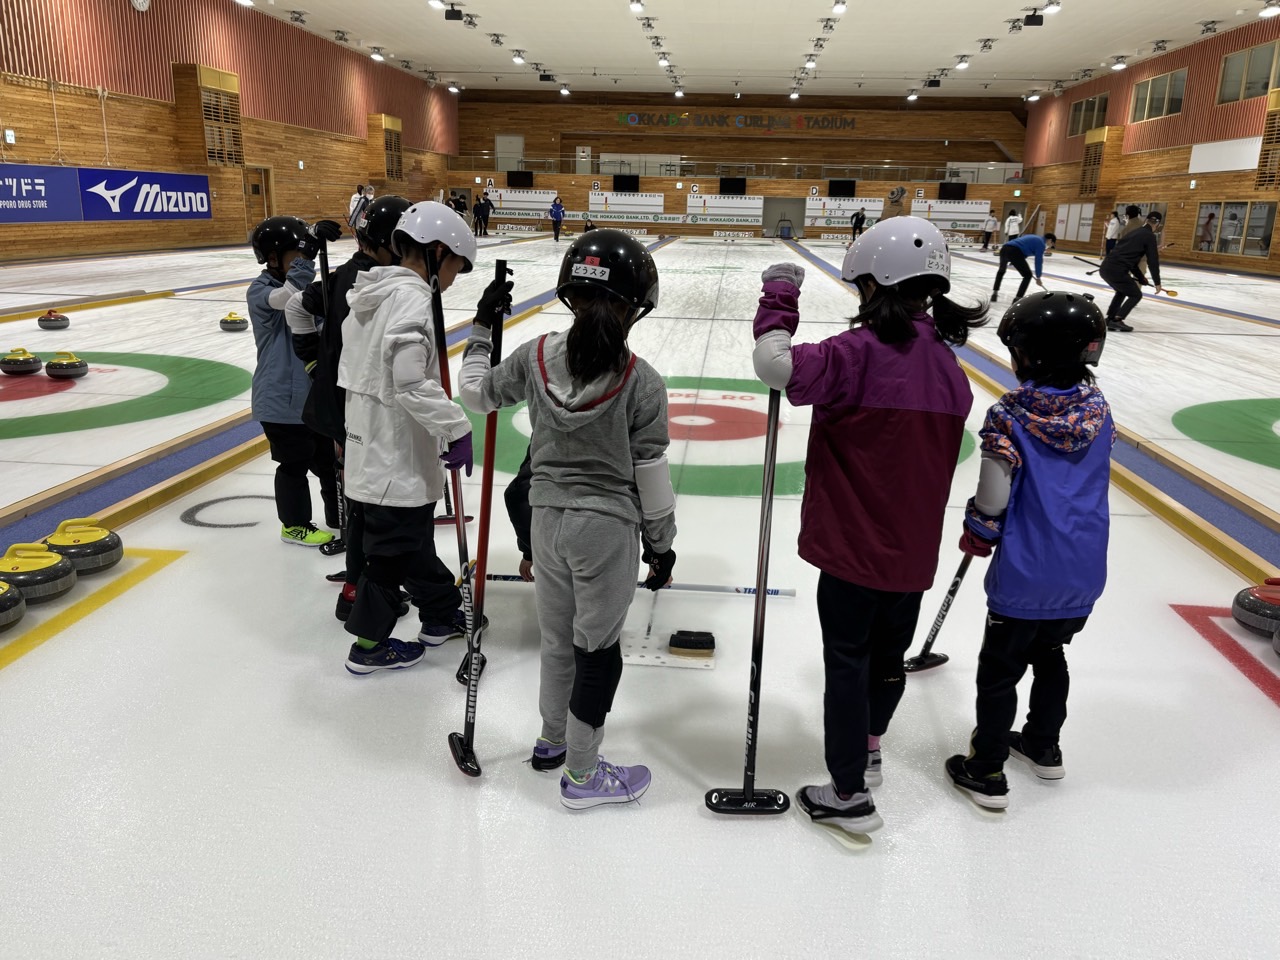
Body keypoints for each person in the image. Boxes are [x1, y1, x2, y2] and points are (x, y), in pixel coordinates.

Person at [750, 217, 985, 835]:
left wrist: (780, 295)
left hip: (853, 551)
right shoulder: (951, 371)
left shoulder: (853, 355)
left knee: (848, 665)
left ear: (875, 284)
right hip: (911, 555)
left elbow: (774, 365)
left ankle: (848, 792)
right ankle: (871, 745)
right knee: (888, 659)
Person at [459, 229, 674, 810]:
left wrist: (481, 330)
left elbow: (475, 394)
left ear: (570, 294)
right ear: (635, 306)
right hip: (605, 529)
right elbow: (651, 476)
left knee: (557, 642)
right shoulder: (642, 381)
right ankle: (581, 775)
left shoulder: (533, 357)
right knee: (597, 651)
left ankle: (552, 739)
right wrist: (661, 545)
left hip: (545, 519)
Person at [946, 291, 1113, 809]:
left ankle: (987, 766)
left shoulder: (1010, 415)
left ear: (1029, 354)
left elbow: (993, 497)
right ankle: (1043, 744)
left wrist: (979, 529)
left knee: (1000, 669)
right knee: (1051, 654)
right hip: (1082, 568)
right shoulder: (1099, 411)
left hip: (1026, 570)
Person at [337, 201, 479, 674]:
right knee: (390, 556)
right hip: (393, 457)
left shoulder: (373, 294)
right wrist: (455, 426)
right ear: (438, 252)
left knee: (412, 543)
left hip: (370, 445)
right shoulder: (413, 299)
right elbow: (409, 380)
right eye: (457, 265)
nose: (455, 277)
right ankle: (368, 646)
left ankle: (439, 615)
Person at [284, 195, 413, 621]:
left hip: (354, 402)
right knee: (367, 500)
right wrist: (312, 360)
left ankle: (367, 584)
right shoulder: (359, 279)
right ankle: (361, 588)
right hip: (352, 406)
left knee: (365, 496)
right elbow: (293, 306)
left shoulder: (361, 275)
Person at [247, 215, 343, 547]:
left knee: (329, 462)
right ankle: (295, 525)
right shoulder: (261, 291)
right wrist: (308, 257)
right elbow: (288, 298)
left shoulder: (305, 287)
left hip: (310, 396)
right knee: (294, 463)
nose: (302, 259)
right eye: (296, 253)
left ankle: (340, 515)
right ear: (273, 257)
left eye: (303, 253)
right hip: (279, 401)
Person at [1099, 211, 1163, 332]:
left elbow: (1132, 262)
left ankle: (1110, 318)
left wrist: (1141, 278)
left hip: (1106, 267)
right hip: (1117, 270)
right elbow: (1153, 261)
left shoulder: (1135, 232)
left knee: (1122, 291)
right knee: (1136, 295)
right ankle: (1117, 320)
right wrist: (1157, 283)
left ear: (1146, 220)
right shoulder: (1149, 236)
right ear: (1158, 224)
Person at [991, 232, 1056, 303]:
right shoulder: (1041, 244)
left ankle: (994, 294)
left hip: (1004, 249)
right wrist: (1038, 277)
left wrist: (1014, 261)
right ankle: (1017, 299)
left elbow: (1024, 250)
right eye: (1051, 244)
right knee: (1028, 275)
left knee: (1001, 271)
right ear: (1050, 240)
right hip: (1015, 251)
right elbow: (1038, 261)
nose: (1049, 247)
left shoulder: (1035, 238)